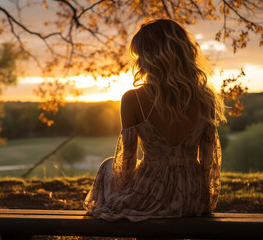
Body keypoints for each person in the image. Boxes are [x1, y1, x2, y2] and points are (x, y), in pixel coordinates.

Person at [84, 19, 226, 222]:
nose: (138, 61)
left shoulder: (133, 99)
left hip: (151, 195)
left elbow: (126, 165)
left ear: (149, 57)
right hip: (191, 196)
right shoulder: (205, 99)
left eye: (140, 54)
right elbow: (208, 162)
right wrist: (202, 198)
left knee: (108, 165)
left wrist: (117, 190)